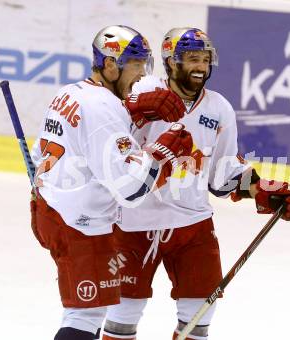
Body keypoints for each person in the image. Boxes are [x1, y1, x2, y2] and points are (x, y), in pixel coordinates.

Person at [102, 28, 290, 340]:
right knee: (122, 315)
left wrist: (261, 189)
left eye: (205, 59)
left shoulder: (219, 108)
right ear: (171, 62)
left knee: (199, 315)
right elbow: (107, 132)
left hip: (192, 225)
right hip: (134, 222)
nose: (200, 66)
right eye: (191, 59)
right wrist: (134, 106)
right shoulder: (141, 88)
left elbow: (224, 173)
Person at [30, 25, 192, 340]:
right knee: (85, 315)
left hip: (50, 209)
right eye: (135, 64)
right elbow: (130, 189)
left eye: (145, 64)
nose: (142, 74)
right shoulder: (103, 107)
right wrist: (161, 154)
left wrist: (134, 115)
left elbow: (42, 153)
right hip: (80, 223)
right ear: (109, 64)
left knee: (83, 311)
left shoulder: (69, 93)